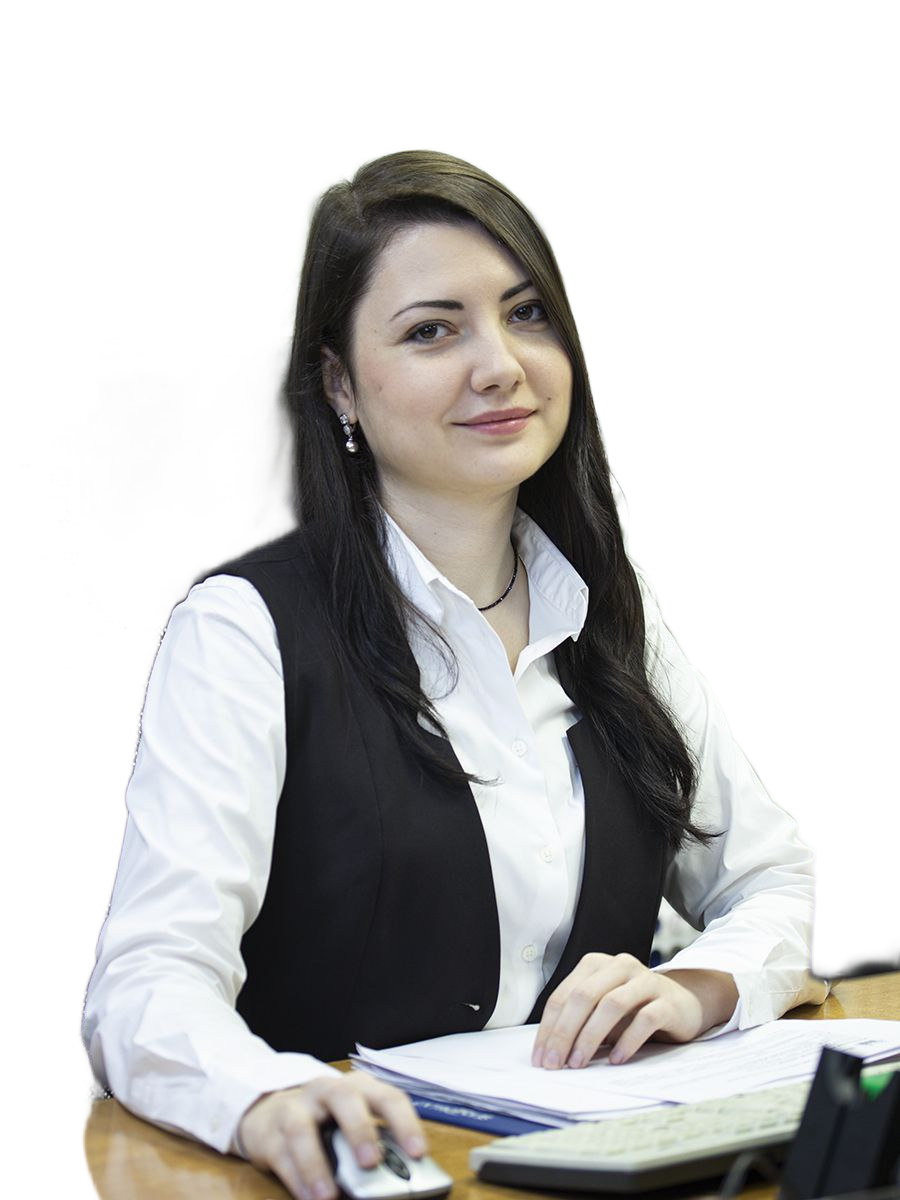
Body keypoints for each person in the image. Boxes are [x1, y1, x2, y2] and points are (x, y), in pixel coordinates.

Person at [81, 145, 828, 1200]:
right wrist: (262, 1097)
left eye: (527, 315)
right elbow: (148, 981)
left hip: (587, 1170)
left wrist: (704, 984)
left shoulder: (610, 610)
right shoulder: (244, 630)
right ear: (338, 384)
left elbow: (773, 877)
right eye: (432, 330)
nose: (501, 365)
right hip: (349, 1179)